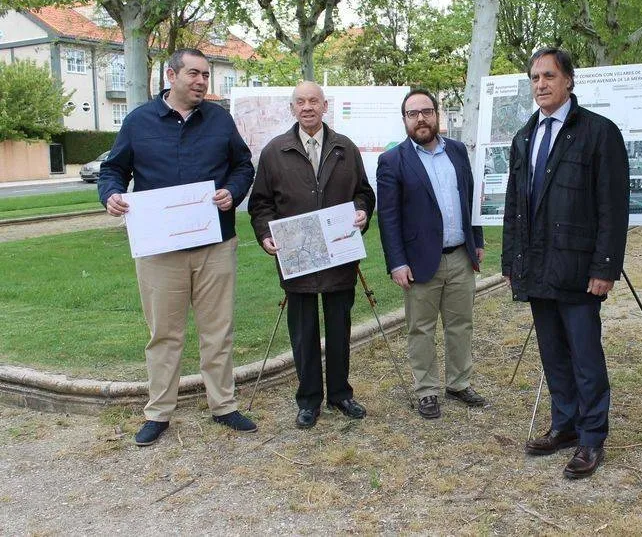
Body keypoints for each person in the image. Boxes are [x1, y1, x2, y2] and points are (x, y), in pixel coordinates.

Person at [97, 48, 257, 446]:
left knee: (217, 331)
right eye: (194, 74)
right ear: (171, 76)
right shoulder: (138, 122)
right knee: (164, 334)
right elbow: (113, 169)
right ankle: (159, 413)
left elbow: (243, 166)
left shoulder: (219, 119)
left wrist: (233, 192)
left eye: (205, 75)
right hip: (159, 250)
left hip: (215, 244)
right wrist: (111, 195)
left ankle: (223, 405)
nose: (202, 81)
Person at [501, 48, 629, 479]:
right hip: (537, 267)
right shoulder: (524, 136)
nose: (541, 84)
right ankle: (566, 424)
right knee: (553, 354)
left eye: (549, 76)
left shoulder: (599, 132)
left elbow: (613, 207)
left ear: (569, 80)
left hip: (578, 270)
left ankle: (592, 437)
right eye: (535, 77)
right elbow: (515, 204)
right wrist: (511, 259)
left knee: (585, 357)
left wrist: (605, 267)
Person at [248, 81, 375, 428]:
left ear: (324, 106)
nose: (307, 107)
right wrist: (265, 235)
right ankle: (308, 401)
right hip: (297, 259)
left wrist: (362, 212)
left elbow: (364, 193)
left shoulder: (345, 148)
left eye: (314, 101)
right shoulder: (274, 152)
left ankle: (340, 395)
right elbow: (260, 204)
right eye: (301, 102)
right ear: (292, 108)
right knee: (303, 334)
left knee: (339, 330)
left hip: (339, 258)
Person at [376, 88, 488, 419]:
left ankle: (458, 383)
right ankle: (426, 390)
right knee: (421, 329)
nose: (420, 119)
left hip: (460, 257)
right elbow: (388, 218)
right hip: (419, 262)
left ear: (436, 114)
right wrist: (397, 262)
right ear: (405, 120)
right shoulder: (392, 161)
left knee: (461, 324)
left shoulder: (457, 151)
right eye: (413, 114)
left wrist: (477, 239)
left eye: (426, 111)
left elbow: (469, 198)